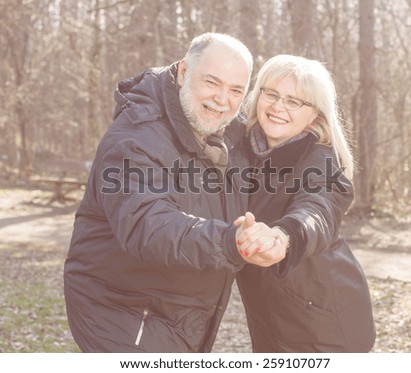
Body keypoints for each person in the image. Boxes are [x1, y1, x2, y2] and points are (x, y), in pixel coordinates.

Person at [63, 33, 283, 353]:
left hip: (182, 314)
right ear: (183, 72)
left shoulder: (228, 135)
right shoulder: (137, 136)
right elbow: (147, 223)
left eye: (236, 90)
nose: (222, 99)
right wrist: (229, 241)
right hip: (125, 312)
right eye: (211, 82)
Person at [234, 54, 376, 352]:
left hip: (323, 323)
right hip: (270, 319)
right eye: (271, 94)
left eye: (294, 101)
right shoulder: (242, 150)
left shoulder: (319, 159)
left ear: (315, 115)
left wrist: (284, 236)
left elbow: (317, 209)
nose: (277, 107)